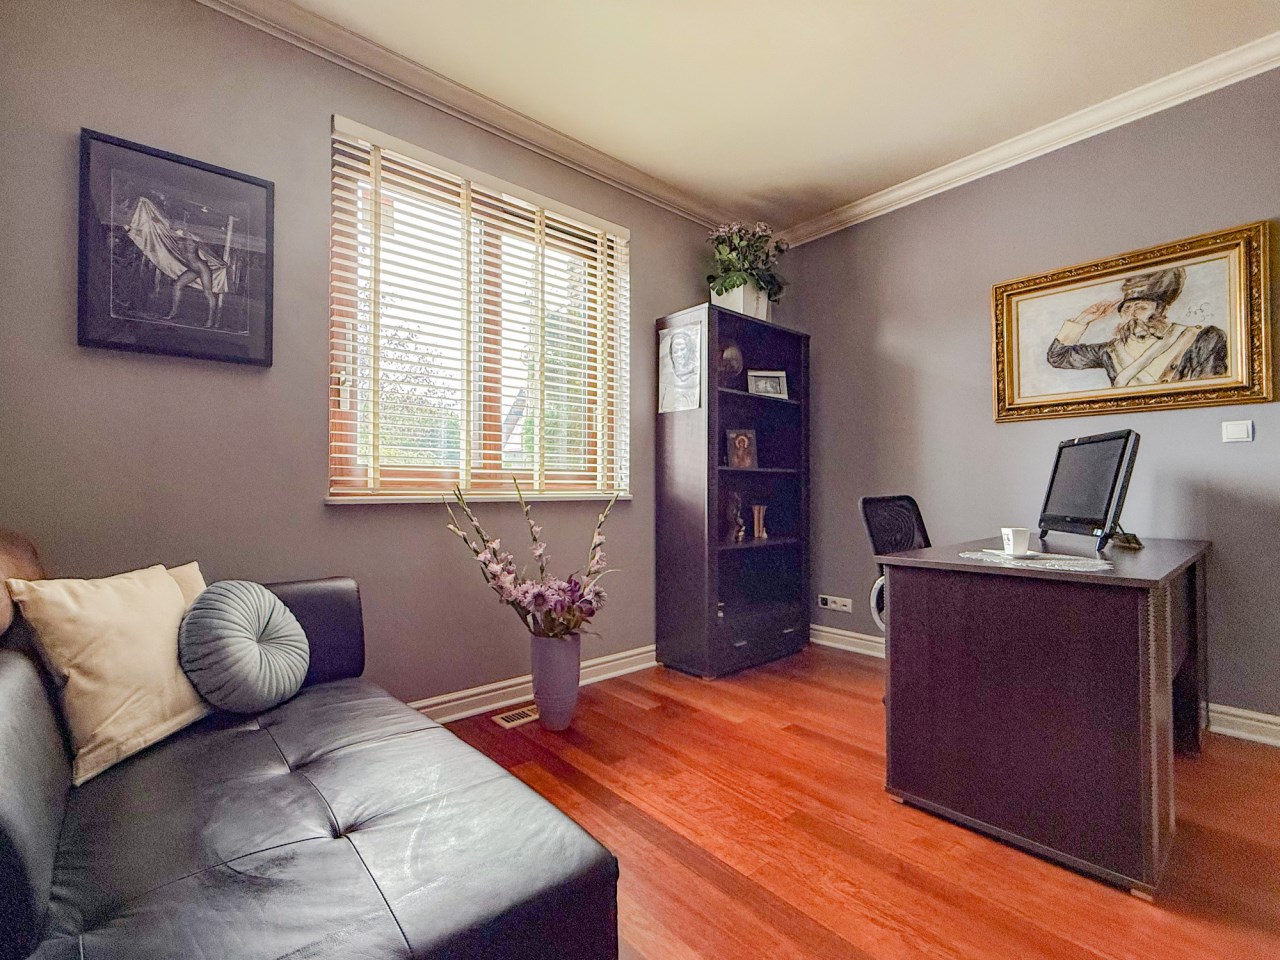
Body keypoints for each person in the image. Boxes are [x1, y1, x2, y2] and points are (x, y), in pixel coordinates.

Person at [1045, 267, 1226, 387]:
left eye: (1141, 307)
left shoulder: (1200, 338)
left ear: (1162, 310)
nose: (1132, 315)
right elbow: (1058, 357)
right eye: (1127, 309)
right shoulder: (1109, 351)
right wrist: (1083, 319)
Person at [164, 229, 221, 328]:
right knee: (177, 285)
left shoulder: (194, 239)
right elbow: (172, 234)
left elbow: (205, 248)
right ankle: (173, 312)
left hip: (202, 268)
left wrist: (217, 260)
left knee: (208, 292)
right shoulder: (180, 238)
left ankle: (210, 320)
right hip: (193, 269)